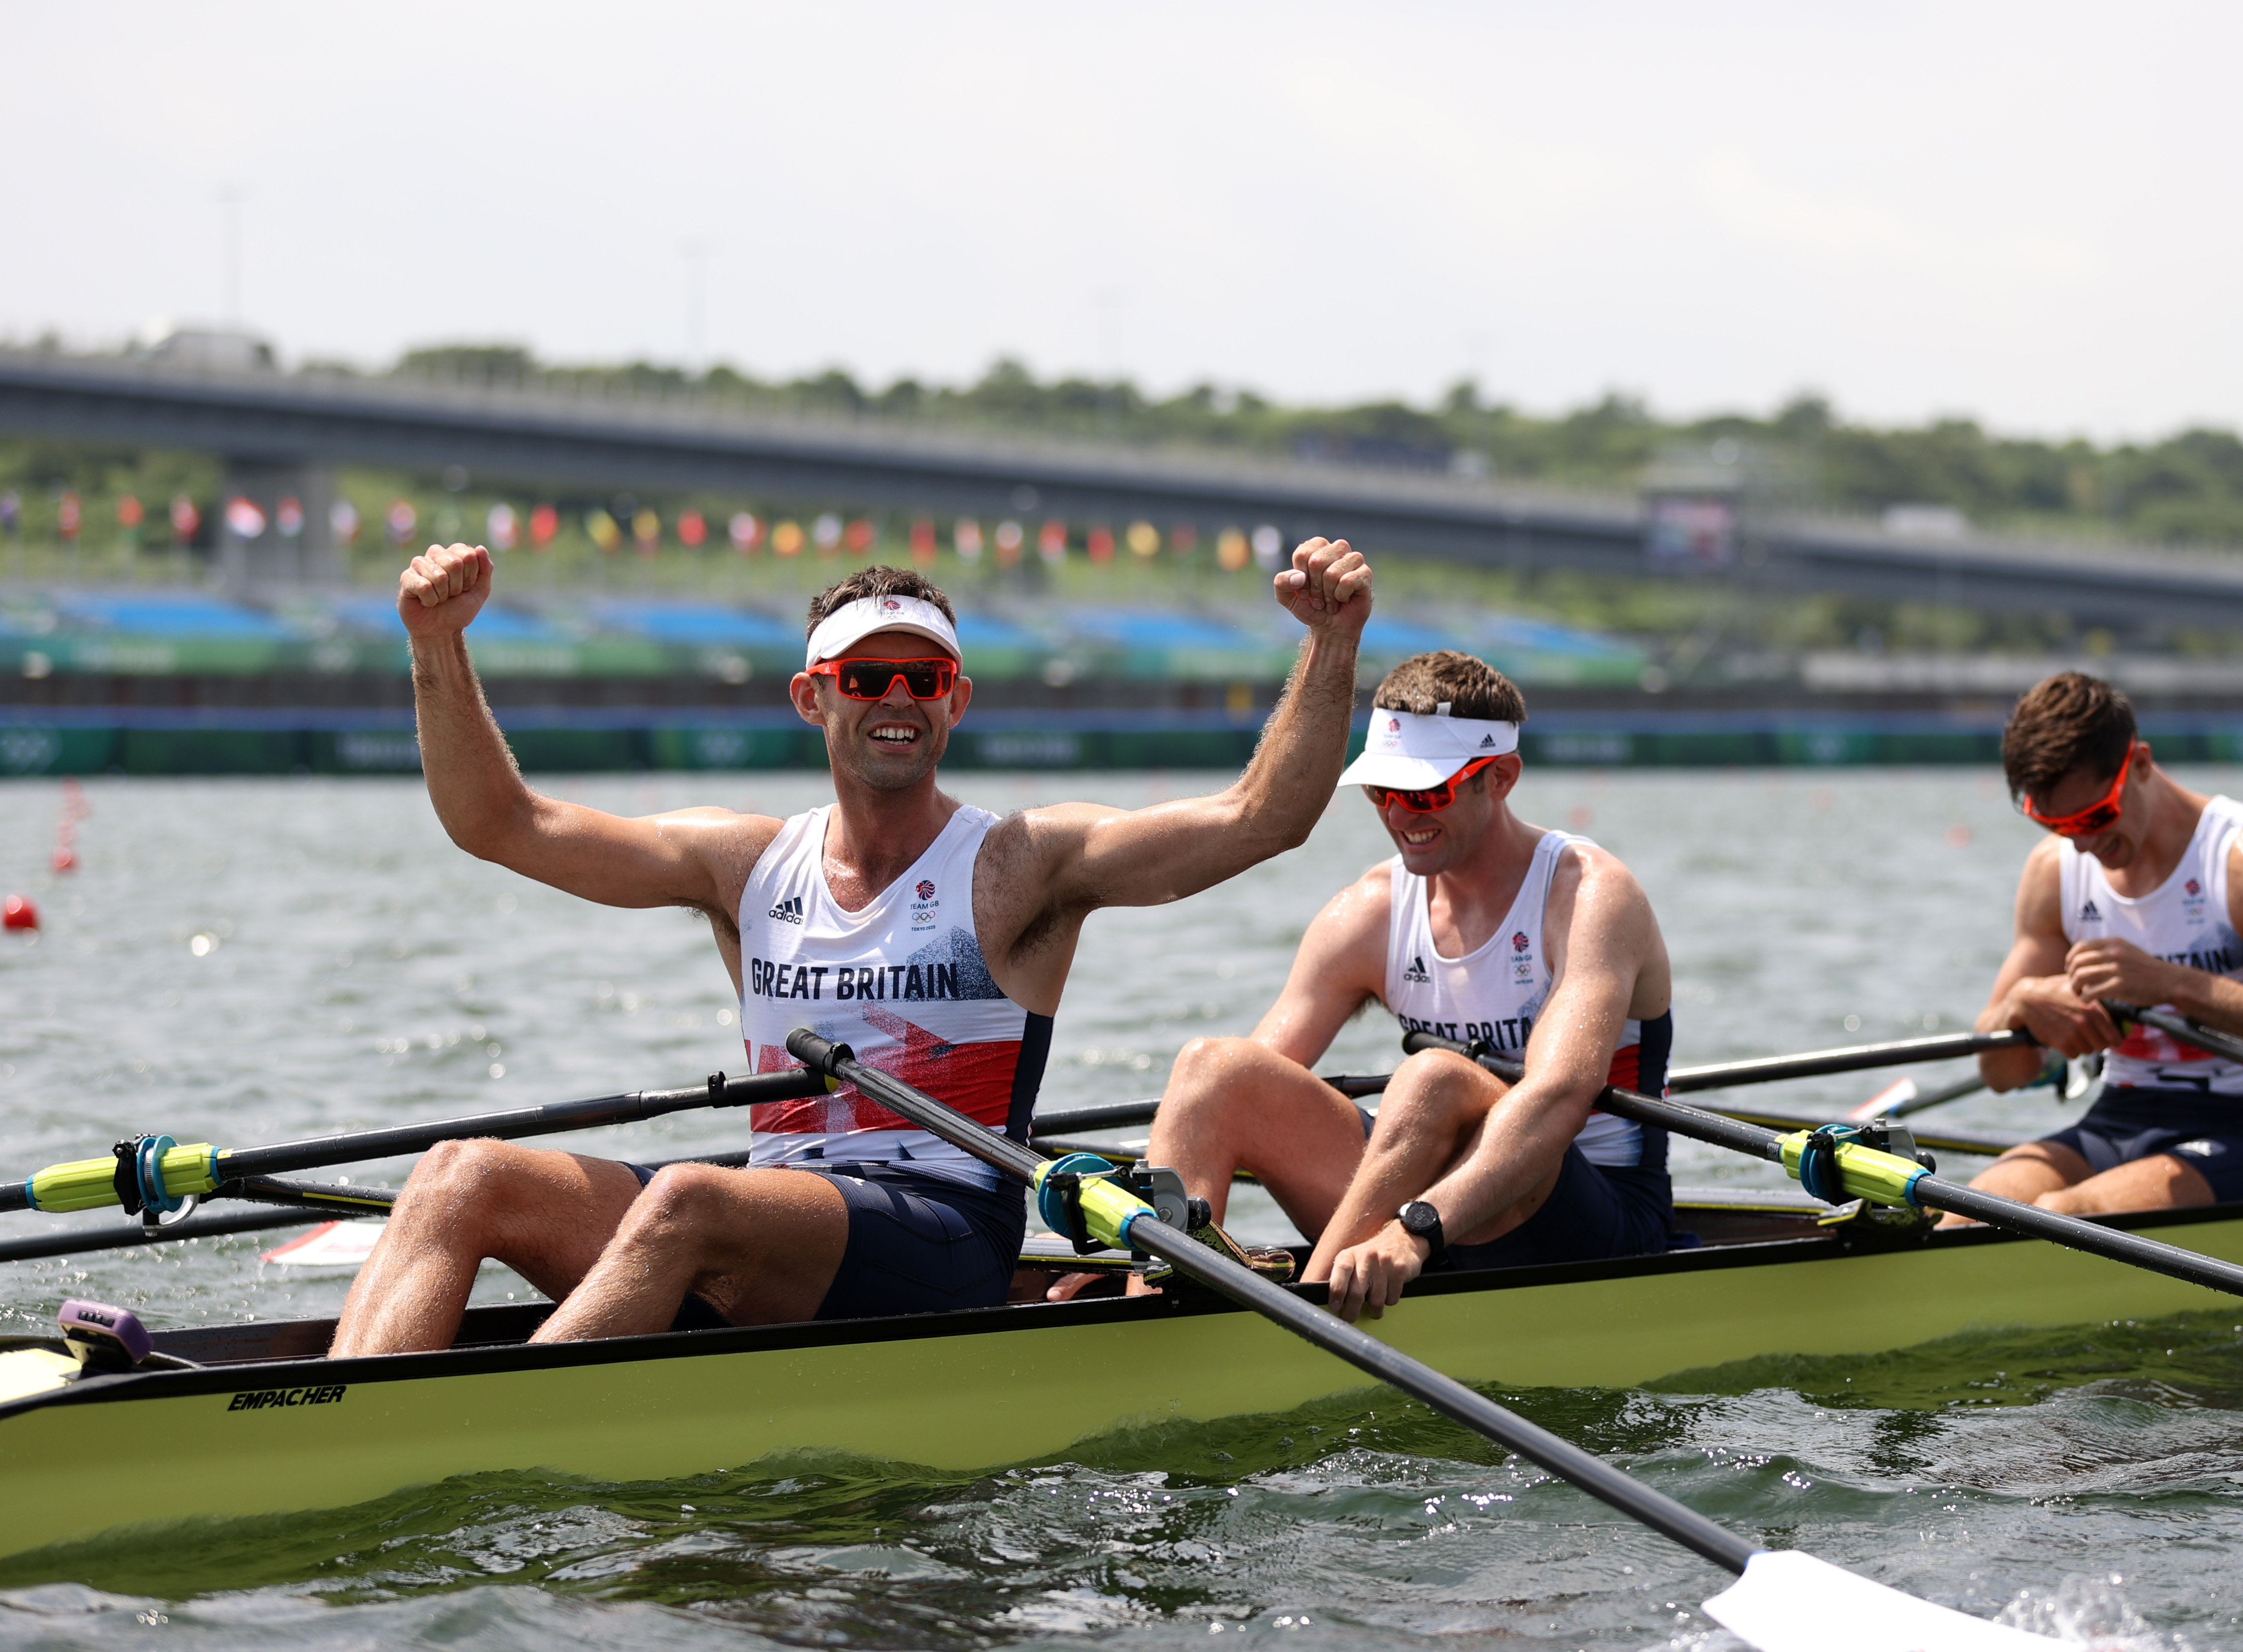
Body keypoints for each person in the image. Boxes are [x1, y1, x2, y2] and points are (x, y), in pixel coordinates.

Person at [328, 537, 1372, 1357]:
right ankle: (327, 1423)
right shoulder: (740, 864)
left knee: (689, 1197)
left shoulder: (1022, 863)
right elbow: (501, 825)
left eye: (924, 678)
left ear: (956, 700)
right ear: (811, 696)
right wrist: (436, 643)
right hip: (772, 1226)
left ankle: (481, 1442)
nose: (897, 699)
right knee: (460, 1175)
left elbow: (1260, 818)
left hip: (944, 1232)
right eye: (867, 677)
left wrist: (1329, 644)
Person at [1054, 651, 1672, 1318]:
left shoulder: (1588, 895)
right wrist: (1133, 1215)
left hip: (1591, 1223)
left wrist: (1417, 1229)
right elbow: (1253, 1089)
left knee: (1434, 1078)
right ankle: (1155, 1296)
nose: (1401, 816)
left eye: (1425, 794)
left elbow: (1559, 1097)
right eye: (1382, 791)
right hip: (1418, 1216)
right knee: (1213, 1070)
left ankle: (1306, 1316)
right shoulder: (1370, 912)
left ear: (1499, 777)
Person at [1958, 673, 2243, 1217]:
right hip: (2118, 1117)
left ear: (2141, 763)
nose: (2084, 844)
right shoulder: (2054, 873)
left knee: (2064, 1214)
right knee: (1964, 1214)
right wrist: (2020, 1005)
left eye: (2095, 817)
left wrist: (2173, 984)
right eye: (2058, 825)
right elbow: (2001, 1075)